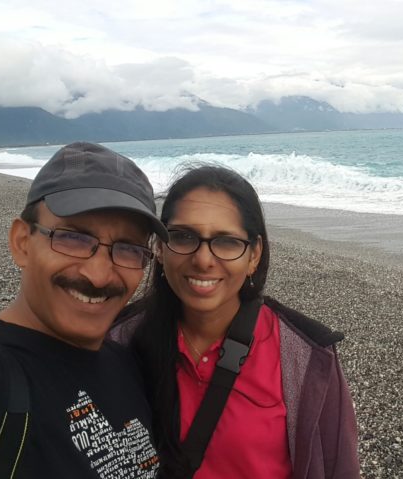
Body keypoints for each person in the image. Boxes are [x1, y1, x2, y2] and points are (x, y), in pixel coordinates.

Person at [118, 165, 359, 478]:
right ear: (160, 248)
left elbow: (339, 468)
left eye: (227, 241)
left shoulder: (306, 357)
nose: (203, 260)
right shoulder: (118, 342)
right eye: (183, 236)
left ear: (254, 255)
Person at [0, 142, 168, 478]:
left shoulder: (126, 363)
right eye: (72, 238)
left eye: (128, 249)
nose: (99, 275)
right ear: (22, 243)